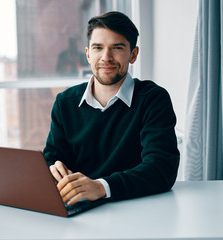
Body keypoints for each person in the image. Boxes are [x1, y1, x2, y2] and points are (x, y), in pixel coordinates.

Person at [43, 11, 180, 206]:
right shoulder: (65, 102)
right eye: (98, 48)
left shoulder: (153, 99)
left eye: (117, 47)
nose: (106, 57)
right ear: (88, 54)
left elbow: (161, 168)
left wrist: (101, 187)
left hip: (138, 210)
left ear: (133, 54)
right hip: (79, 210)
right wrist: (52, 169)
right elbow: (51, 159)